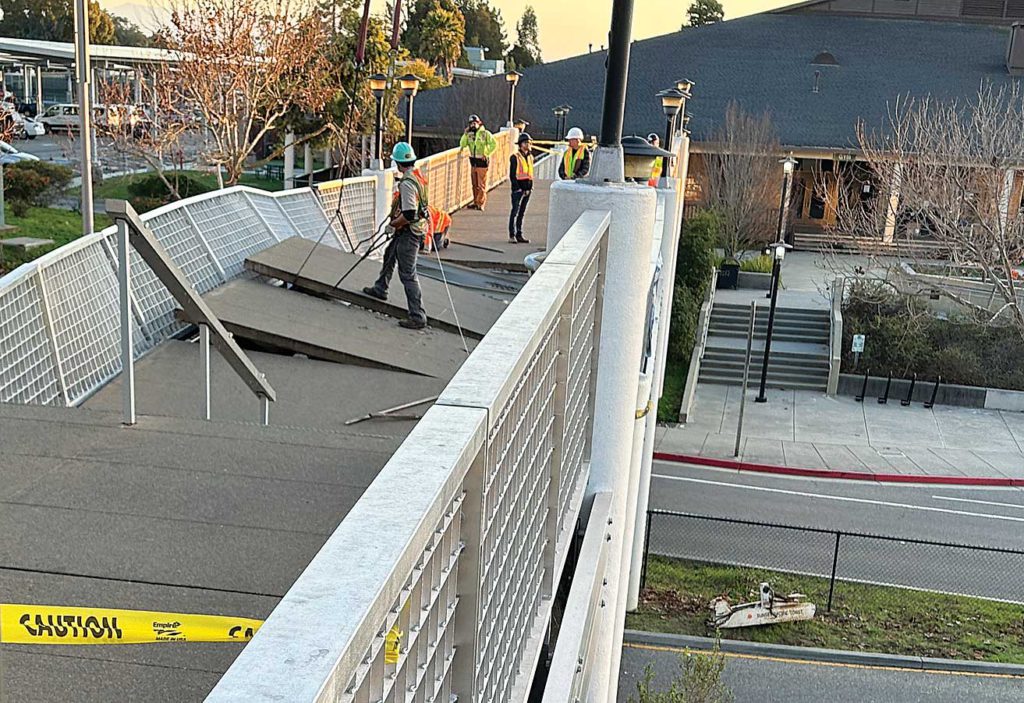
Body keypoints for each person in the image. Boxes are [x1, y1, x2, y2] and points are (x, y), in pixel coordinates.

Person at [362, 142, 429, 330]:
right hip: (412, 230)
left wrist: (393, 224)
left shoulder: (407, 183)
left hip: (410, 232)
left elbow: (409, 214)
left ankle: (417, 315)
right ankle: (380, 287)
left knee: (408, 274)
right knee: (390, 254)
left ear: (398, 164)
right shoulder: (418, 176)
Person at [459, 114, 497, 211]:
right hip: (473, 162)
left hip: (482, 162)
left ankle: (480, 203)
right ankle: (475, 202)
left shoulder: (485, 134)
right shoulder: (470, 134)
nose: (473, 125)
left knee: (481, 185)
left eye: (474, 123)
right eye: (471, 123)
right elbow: (462, 144)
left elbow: (494, 144)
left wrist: (486, 153)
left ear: (479, 123)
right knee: (474, 184)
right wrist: (465, 134)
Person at [508, 132, 534, 244]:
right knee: (515, 211)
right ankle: (512, 235)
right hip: (518, 190)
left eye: (528, 142)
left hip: (527, 189)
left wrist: (530, 188)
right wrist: (517, 188)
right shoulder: (515, 157)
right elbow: (513, 175)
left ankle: (519, 234)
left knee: (521, 212)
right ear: (520, 144)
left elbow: (530, 174)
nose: (527, 144)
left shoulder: (530, 157)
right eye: (525, 142)